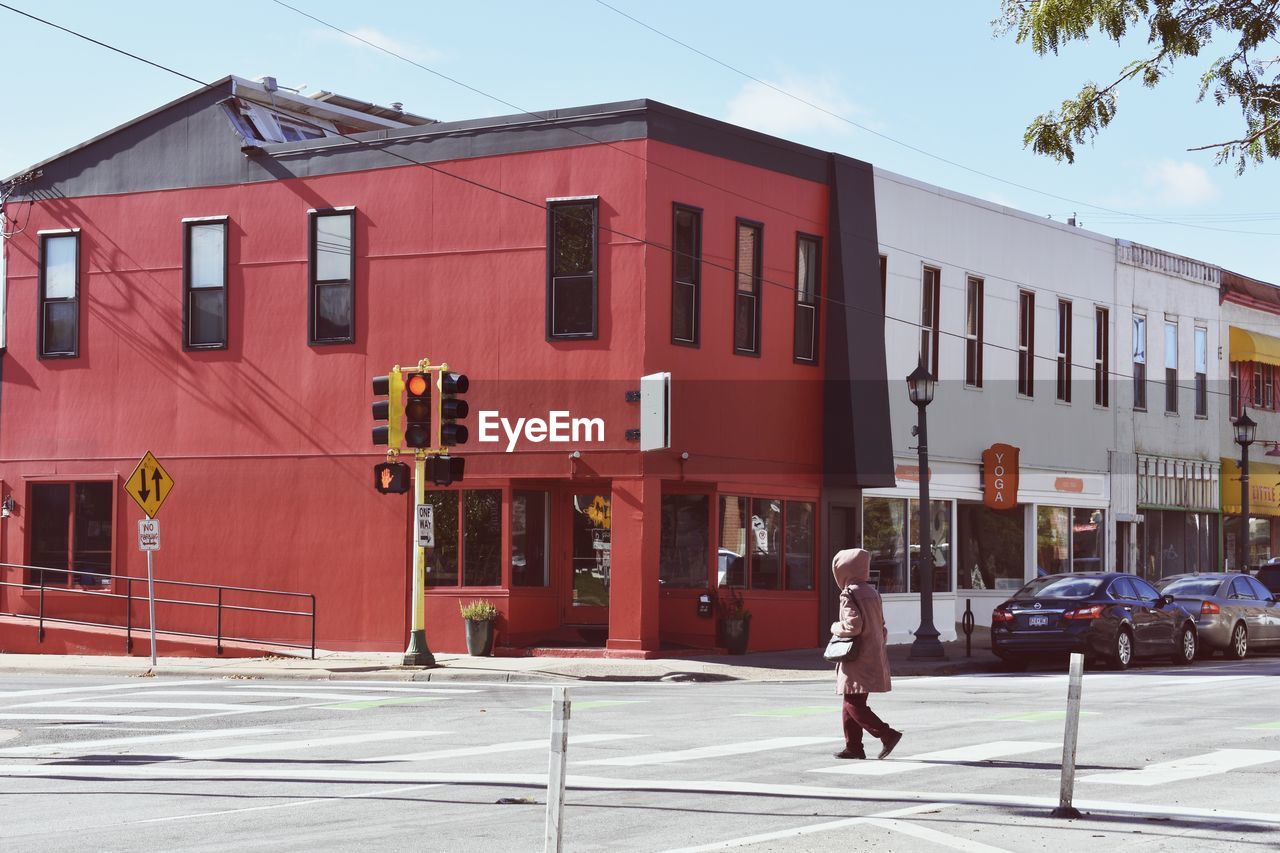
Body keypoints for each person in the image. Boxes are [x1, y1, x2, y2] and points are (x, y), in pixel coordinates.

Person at [830, 548, 902, 760]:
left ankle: (887, 734)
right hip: (873, 655)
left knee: (853, 703)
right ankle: (853, 747)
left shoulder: (849, 593)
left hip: (856, 656)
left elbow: (853, 626)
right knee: (850, 700)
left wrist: (835, 627)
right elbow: (882, 627)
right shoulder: (873, 592)